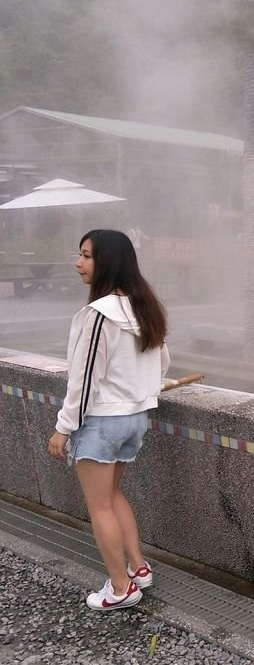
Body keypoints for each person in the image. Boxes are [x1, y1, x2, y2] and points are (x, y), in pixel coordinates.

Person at [47, 229, 169, 611]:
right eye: (79, 254)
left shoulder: (99, 314)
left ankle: (120, 588)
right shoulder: (143, 307)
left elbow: (83, 381)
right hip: (134, 419)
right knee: (113, 496)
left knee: (99, 506)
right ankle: (139, 568)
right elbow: (161, 363)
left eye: (86, 256)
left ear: (108, 262)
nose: (78, 263)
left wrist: (62, 428)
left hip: (102, 422)